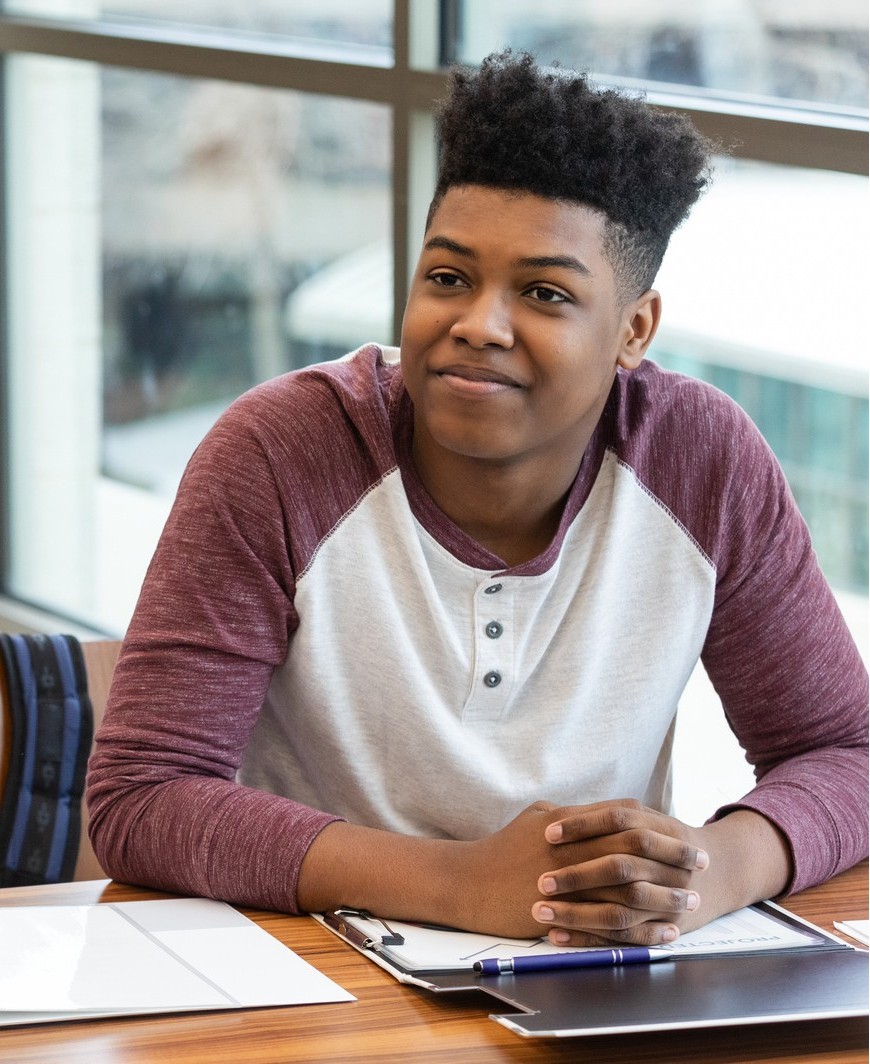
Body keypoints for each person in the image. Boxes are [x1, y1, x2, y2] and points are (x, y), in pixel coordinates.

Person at [86, 51, 868, 948]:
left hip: (589, 978)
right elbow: (143, 798)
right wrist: (463, 885)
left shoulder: (704, 462)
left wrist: (706, 872)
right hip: (308, 972)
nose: (478, 324)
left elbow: (848, 754)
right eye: (449, 277)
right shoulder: (279, 452)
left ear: (634, 330)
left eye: (543, 293)